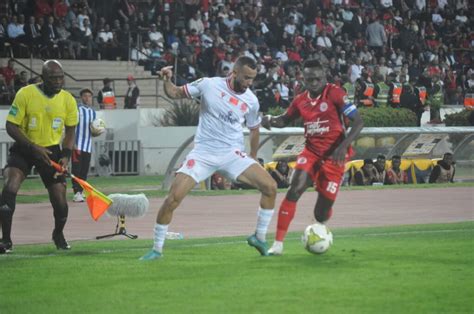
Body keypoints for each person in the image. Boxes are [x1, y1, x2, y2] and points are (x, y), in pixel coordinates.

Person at [140, 56, 277, 260]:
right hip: (203, 153)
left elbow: (254, 129)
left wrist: (253, 157)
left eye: (252, 79)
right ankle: (156, 250)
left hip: (232, 154)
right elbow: (175, 93)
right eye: (246, 78)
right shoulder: (208, 84)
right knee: (172, 198)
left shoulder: (251, 100)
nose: (249, 83)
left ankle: (259, 237)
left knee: (271, 187)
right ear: (234, 72)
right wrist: (166, 80)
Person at [261, 59, 364, 255]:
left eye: (317, 78)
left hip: (335, 158)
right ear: (304, 79)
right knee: (294, 189)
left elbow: (358, 122)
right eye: (310, 79)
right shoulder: (300, 100)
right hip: (311, 153)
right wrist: (270, 120)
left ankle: (321, 227)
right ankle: (278, 244)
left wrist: (343, 147)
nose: (314, 82)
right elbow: (284, 119)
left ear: (324, 77)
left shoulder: (335, 94)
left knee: (321, 212)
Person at [0, 60, 78, 254]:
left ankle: (58, 234)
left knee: (60, 199)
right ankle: (6, 240)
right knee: (9, 186)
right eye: (54, 78)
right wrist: (32, 146)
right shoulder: (25, 94)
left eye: (61, 77)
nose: (59, 81)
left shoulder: (68, 100)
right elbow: (11, 126)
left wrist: (66, 156)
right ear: (43, 77)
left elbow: (70, 131)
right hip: (25, 147)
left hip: (52, 151)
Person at [72, 88, 98, 202]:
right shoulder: (77, 109)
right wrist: (72, 142)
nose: (87, 98)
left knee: (84, 170)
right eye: (85, 96)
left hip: (87, 145)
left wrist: (97, 132)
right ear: (81, 97)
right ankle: (76, 192)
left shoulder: (93, 112)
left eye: (89, 96)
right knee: (76, 170)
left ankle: (81, 191)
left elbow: (94, 129)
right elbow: (71, 126)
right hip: (77, 145)